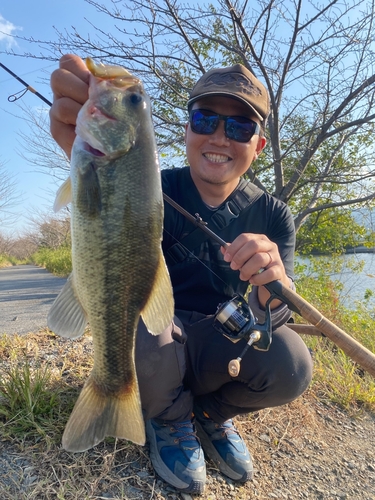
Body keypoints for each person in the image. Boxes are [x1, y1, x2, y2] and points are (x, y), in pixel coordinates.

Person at [49, 55, 313, 495]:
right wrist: (89, 162)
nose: (219, 137)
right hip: (155, 343)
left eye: (240, 127)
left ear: (258, 145)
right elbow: (108, 210)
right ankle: (167, 420)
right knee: (143, 330)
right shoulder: (153, 184)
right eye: (205, 118)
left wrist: (272, 289)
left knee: (291, 362)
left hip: (215, 351)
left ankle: (208, 415)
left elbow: (272, 320)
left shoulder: (275, 216)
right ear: (187, 128)